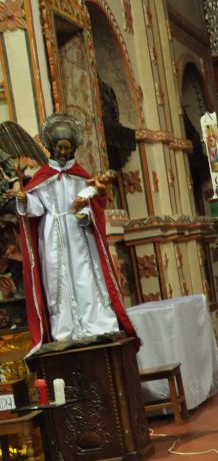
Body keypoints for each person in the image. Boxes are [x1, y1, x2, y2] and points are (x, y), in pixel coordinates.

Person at [16, 112, 135, 353]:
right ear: (51, 147)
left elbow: (95, 204)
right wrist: (25, 199)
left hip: (80, 235)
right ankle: (65, 331)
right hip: (52, 236)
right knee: (57, 282)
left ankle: (97, 325)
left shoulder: (81, 176)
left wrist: (85, 214)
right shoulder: (42, 177)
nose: (63, 152)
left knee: (85, 278)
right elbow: (37, 209)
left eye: (67, 148)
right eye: (59, 147)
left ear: (74, 149)